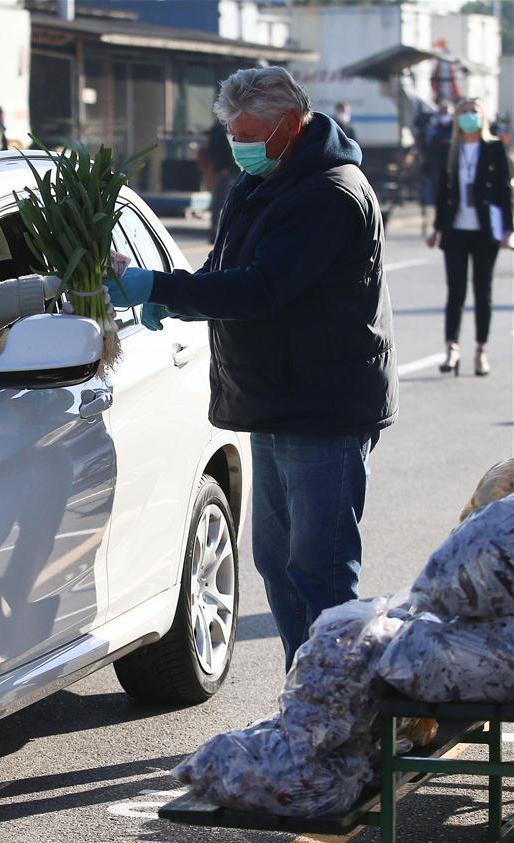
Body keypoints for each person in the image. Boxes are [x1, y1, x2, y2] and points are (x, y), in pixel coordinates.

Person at [105, 66, 398, 671]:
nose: (237, 147)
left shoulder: (329, 193)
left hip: (324, 406)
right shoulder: (263, 180)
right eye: (231, 134)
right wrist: (172, 293)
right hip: (278, 398)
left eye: (247, 135)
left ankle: (337, 705)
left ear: (289, 125)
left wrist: (161, 287)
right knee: (277, 563)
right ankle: (303, 693)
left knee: (319, 570)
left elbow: (264, 287)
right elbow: (226, 266)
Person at [426, 97, 513, 377]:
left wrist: (508, 229)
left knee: (482, 292)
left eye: (473, 111)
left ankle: (480, 350)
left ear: (483, 116)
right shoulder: (450, 149)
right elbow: (443, 193)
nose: (468, 116)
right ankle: (452, 348)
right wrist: (437, 229)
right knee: (455, 291)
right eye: (463, 112)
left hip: (485, 231)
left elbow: (505, 191)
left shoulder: (494, 148)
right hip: (456, 230)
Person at [200, 120, 239, 244]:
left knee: (222, 203)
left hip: (227, 172)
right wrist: (222, 168)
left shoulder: (225, 128)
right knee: (221, 203)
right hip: (223, 173)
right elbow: (215, 151)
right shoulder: (218, 130)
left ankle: (219, 233)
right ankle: (216, 234)